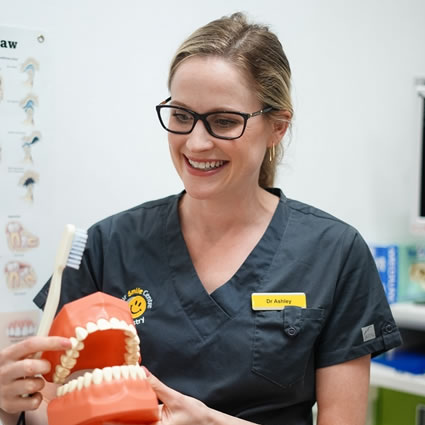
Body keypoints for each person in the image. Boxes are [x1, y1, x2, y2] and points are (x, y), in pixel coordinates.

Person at [0, 12, 402, 425]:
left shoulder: (334, 253)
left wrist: (211, 423)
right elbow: (45, 408)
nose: (196, 141)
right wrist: (9, 405)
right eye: (181, 115)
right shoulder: (109, 245)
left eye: (224, 121)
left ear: (278, 126)